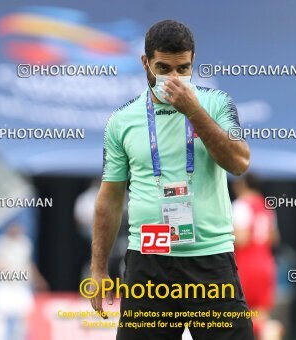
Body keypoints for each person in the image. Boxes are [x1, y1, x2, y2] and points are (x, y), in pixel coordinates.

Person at [90, 20, 254, 340]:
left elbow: (239, 162)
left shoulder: (216, 104)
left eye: (183, 69)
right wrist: (97, 269)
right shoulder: (121, 121)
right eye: (163, 68)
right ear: (145, 63)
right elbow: (109, 199)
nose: (174, 79)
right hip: (148, 264)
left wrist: (193, 112)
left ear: (193, 62)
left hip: (209, 260)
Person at [231, 173, 281, 339]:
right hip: (266, 265)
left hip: (246, 266)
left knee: (239, 316)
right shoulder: (266, 205)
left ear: (242, 184)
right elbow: (274, 238)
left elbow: (243, 239)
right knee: (262, 317)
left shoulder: (240, 205)